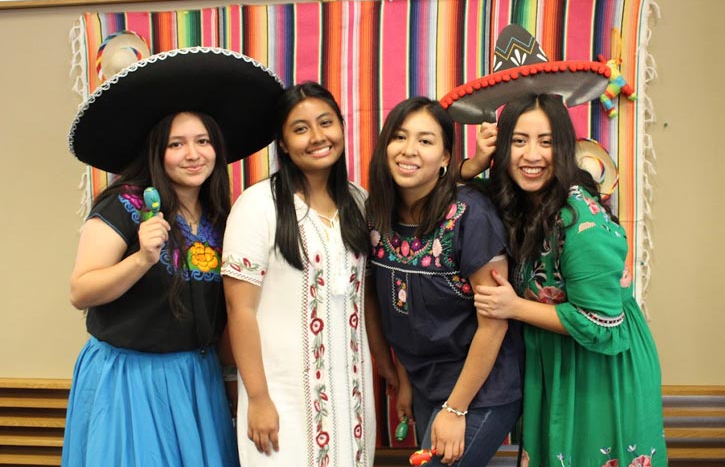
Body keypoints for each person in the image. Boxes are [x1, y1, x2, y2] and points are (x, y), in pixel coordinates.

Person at [63, 47, 285, 466]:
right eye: (177, 144)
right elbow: (81, 290)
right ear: (157, 153)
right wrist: (141, 259)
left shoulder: (224, 218)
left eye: (202, 142)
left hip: (195, 381)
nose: (192, 154)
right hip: (128, 382)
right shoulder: (123, 205)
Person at [469, 93, 667, 467]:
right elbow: (458, 193)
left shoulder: (580, 219)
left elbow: (601, 325)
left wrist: (515, 307)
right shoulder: (523, 202)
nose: (532, 156)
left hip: (601, 368)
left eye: (545, 142)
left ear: (562, 148)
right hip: (559, 360)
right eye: (519, 141)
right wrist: (476, 163)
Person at [221, 82, 397, 467]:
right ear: (282, 144)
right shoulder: (257, 205)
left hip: (350, 392)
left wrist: (388, 367)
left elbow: (366, 297)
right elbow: (240, 311)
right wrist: (259, 398)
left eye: (325, 123)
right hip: (280, 394)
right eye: (300, 129)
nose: (317, 137)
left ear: (341, 128)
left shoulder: (359, 201)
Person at [367, 97, 522, 467]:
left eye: (425, 140)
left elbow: (494, 321)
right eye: (400, 137)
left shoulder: (470, 215)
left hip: (481, 388)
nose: (409, 150)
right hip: (424, 383)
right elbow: (394, 307)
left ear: (446, 157)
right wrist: (403, 379)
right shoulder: (377, 214)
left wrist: (456, 408)